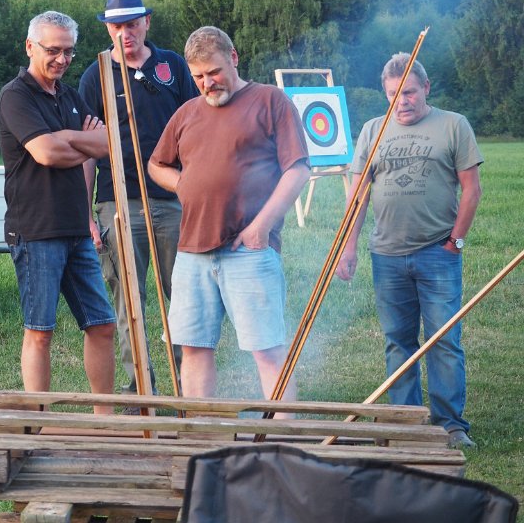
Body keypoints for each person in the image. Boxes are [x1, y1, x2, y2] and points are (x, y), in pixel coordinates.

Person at [148, 26, 310, 404]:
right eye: (199, 77)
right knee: (193, 347)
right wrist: (180, 183)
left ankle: (282, 440)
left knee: (267, 351)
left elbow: (299, 169)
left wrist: (261, 227)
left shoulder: (271, 101)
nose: (207, 83)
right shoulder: (187, 113)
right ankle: (203, 434)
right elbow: (156, 164)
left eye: (214, 72)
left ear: (233, 58)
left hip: (248, 251)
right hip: (191, 253)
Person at [335, 53, 483, 449]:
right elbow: (358, 199)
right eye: (394, 94)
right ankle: (407, 424)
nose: (402, 102)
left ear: (426, 89)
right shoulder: (372, 131)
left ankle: (451, 424)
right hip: (387, 256)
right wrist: (348, 248)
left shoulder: (454, 125)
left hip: (439, 253)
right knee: (398, 341)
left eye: (410, 92)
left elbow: (472, 189)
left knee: (444, 339)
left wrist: (457, 243)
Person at [79, 0, 198, 399]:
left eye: (132, 24)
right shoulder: (96, 75)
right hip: (118, 201)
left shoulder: (172, 66)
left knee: (182, 296)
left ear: (147, 22)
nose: (125, 33)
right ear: (108, 28)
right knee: (129, 300)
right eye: (117, 26)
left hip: (172, 199)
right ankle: (139, 388)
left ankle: (189, 384)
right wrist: (87, 213)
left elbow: (197, 129)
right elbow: (87, 150)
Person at [0, 11, 116, 414]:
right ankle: (39, 420)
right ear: (30, 47)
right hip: (35, 231)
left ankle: (104, 417)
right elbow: (46, 152)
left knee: (102, 325)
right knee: (40, 332)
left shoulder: (68, 95)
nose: (62, 60)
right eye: (53, 51)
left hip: (77, 230)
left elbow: (106, 144)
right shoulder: (15, 95)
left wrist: (69, 138)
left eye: (68, 52)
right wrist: (77, 140)